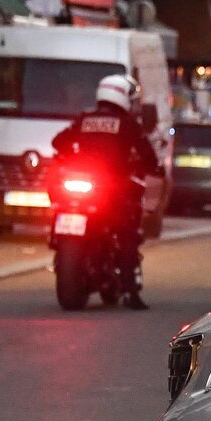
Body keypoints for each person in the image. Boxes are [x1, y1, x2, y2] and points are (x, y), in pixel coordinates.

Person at [51, 73, 158, 310]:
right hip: (110, 191)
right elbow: (148, 158)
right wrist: (142, 167)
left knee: (62, 204)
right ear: (123, 98)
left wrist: (72, 156)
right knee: (127, 234)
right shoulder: (128, 124)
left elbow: (58, 142)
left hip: (83, 187)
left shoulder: (85, 119)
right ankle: (131, 292)